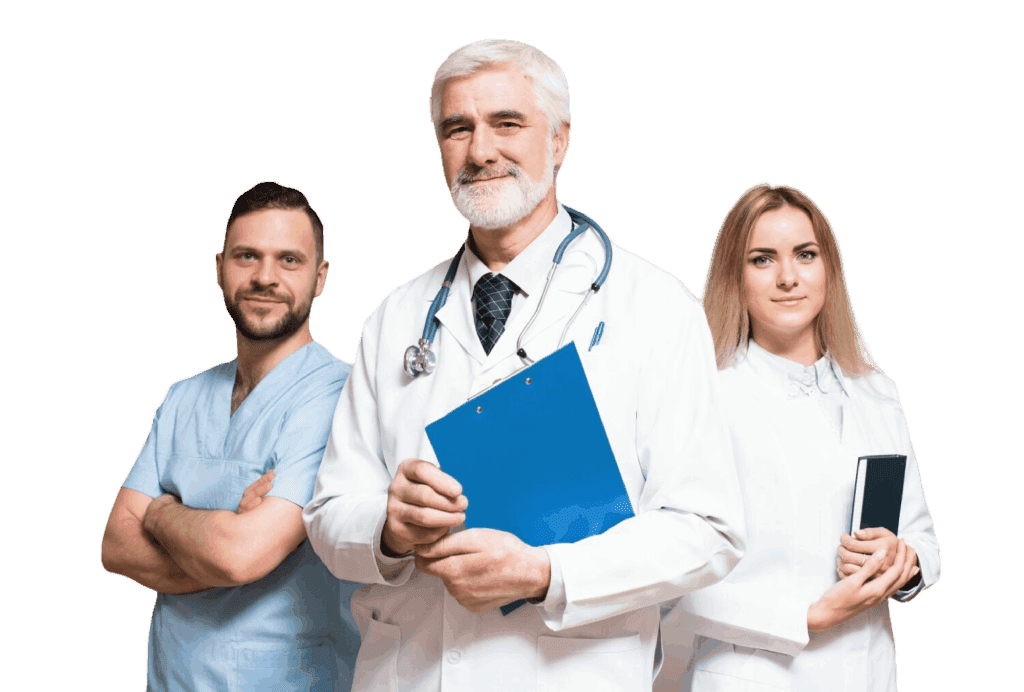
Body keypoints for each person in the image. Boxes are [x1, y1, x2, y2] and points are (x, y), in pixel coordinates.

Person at [302, 39, 745, 691]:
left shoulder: (654, 308)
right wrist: (389, 528)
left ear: (560, 140)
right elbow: (328, 516)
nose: (480, 151)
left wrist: (547, 573)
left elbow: (709, 531)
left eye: (507, 123)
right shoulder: (396, 317)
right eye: (458, 128)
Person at [660, 182, 940, 691]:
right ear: (734, 277)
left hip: (867, 672)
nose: (789, 277)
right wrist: (806, 616)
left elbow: (920, 532)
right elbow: (671, 580)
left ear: (828, 267)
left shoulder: (876, 391)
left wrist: (905, 561)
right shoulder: (705, 397)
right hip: (753, 675)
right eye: (762, 259)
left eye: (805, 255)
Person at [100, 181, 360, 691]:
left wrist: (160, 512)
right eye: (247, 256)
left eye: (289, 260)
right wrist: (220, 542)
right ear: (219, 267)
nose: (266, 277)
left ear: (320, 277)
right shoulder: (183, 397)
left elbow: (241, 555)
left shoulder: (340, 398)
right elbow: (115, 544)